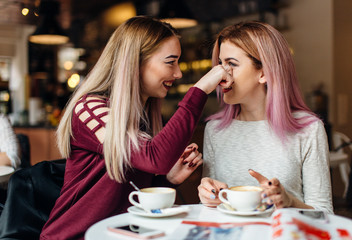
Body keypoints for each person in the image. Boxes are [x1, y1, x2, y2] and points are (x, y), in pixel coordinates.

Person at [40, 16, 233, 240]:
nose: (178, 73)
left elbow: (128, 192)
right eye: (170, 62)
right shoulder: (89, 109)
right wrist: (200, 89)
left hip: (120, 234)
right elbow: (154, 159)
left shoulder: (141, 115)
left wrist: (167, 180)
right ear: (135, 62)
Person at [197, 21, 333, 213]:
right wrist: (208, 196)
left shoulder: (308, 129)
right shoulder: (214, 130)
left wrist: (289, 202)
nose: (219, 74)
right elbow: (213, 208)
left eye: (231, 64)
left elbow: (324, 215)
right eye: (220, 64)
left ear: (264, 73)